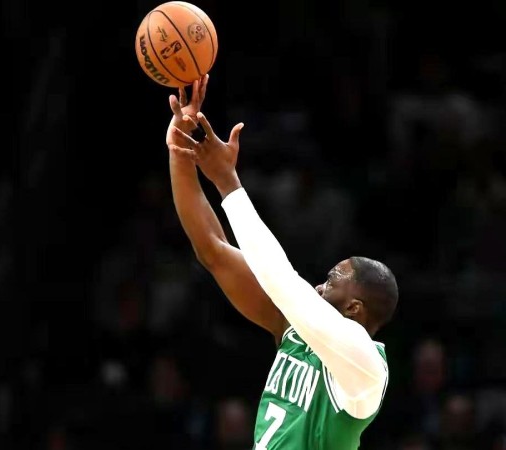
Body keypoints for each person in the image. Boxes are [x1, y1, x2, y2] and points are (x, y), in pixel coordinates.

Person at [165, 74, 399, 449]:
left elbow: (284, 283)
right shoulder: (294, 331)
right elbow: (212, 248)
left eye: (332, 280)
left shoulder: (367, 368)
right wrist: (180, 150)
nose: (319, 286)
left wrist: (227, 182)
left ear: (355, 308)